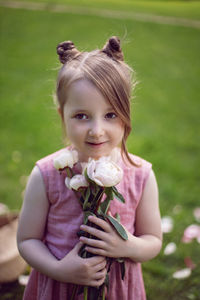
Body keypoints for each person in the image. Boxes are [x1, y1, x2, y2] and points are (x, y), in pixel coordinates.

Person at [17, 36, 162, 300]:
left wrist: (127, 245)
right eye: (81, 116)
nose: (97, 131)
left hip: (118, 290)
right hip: (61, 288)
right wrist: (59, 270)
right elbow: (27, 240)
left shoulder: (141, 175)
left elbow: (153, 240)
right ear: (63, 115)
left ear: (126, 113)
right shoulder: (47, 174)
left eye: (110, 115)